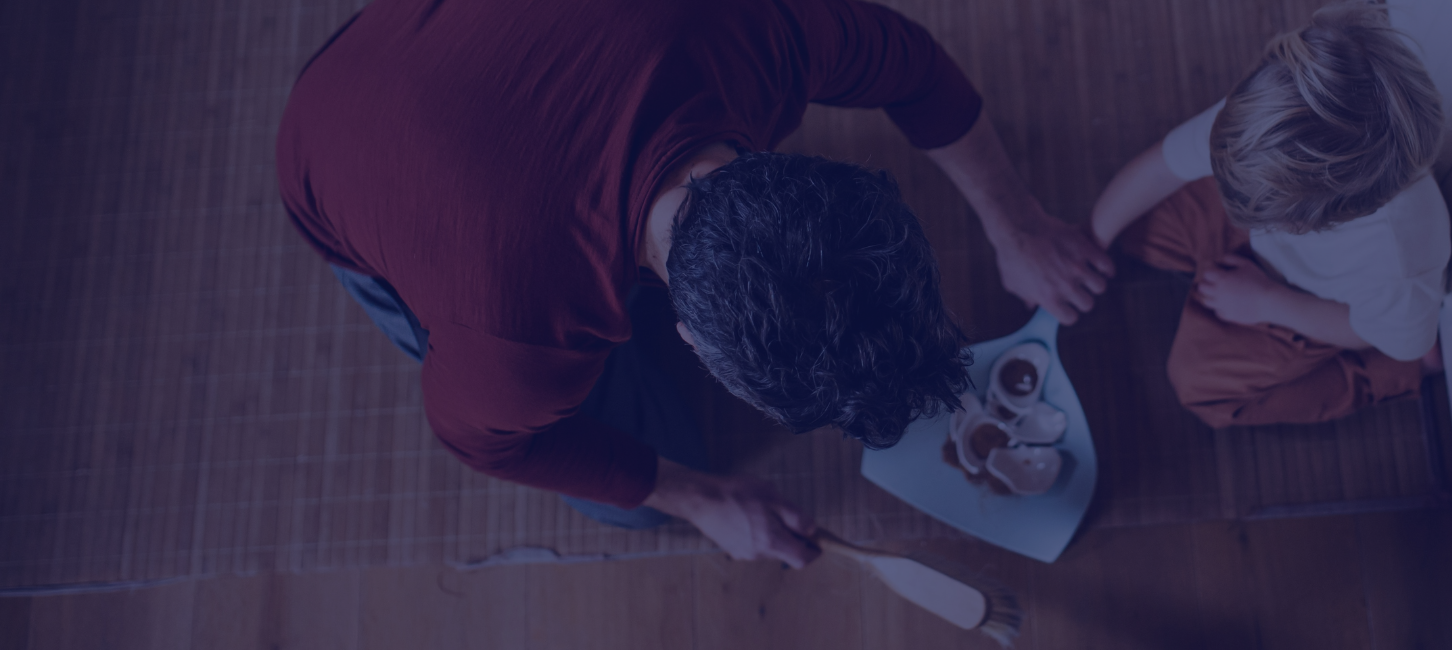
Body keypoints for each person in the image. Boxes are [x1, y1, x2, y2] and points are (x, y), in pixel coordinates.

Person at [276, 0, 1112, 570]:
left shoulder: (753, 31)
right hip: (333, 142)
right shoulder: (515, 335)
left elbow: (914, 67)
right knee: (639, 499)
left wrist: (1021, 226)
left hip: (445, 37)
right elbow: (483, 441)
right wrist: (696, 496)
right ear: (689, 336)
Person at [1088, 2, 1447, 430]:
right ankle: (1210, 268)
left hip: (1307, 299)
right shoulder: (1276, 112)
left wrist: (1267, 302)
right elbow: (1161, 167)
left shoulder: (1398, 260)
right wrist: (1087, 245)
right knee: (1131, 224)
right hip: (1268, 231)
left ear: (1324, 221)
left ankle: (1394, 379)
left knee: (1199, 388)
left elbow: (1386, 338)